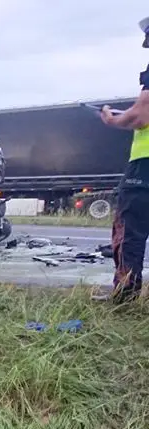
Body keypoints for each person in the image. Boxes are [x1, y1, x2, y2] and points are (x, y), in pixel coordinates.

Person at [95, 16, 149, 302]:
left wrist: (113, 119)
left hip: (145, 166)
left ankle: (125, 295)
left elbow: (141, 116)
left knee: (130, 231)